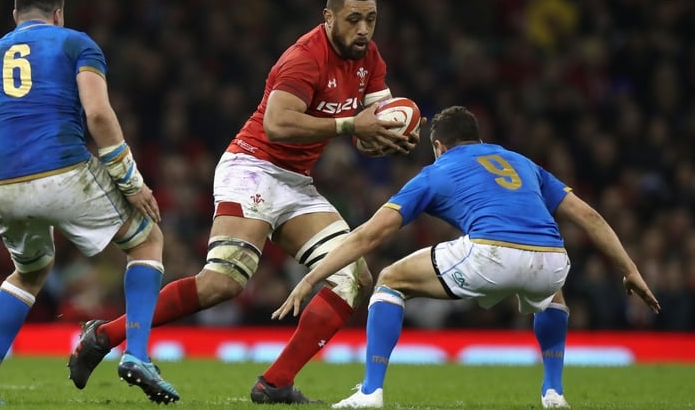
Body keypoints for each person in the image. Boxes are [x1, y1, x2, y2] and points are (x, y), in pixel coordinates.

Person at [68, 0, 419, 403]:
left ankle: (275, 383)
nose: (363, 29)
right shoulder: (305, 57)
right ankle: (103, 337)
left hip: (295, 181)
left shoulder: (370, 57)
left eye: (371, 19)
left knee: (353, 278)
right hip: (251, 167)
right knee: (223, 282)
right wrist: (349, 126)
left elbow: (371, 122)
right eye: (353, 19)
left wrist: (390, 136)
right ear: (328, 18)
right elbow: (278, 124)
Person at [273, 106, 661, 409]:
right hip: (552, 258)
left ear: (439, 146)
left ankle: (371, 391)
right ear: (478, 139)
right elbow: (590, 217)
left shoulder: (437, 171)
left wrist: (311, 278)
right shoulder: (521, 162)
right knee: (551, 294)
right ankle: (554, 392)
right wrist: (630, 269)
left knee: (391, 280)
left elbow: (368, 235)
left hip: (491, 255)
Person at [0, 0, 179, 405]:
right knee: (147, 240)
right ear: (58, 13)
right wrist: (132, 183)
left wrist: (9, 186)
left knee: (30, 272)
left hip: (2, 182)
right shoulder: (76, 43)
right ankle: (137, 354)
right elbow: (98, 115)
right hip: (64, 166)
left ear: (15, 15)